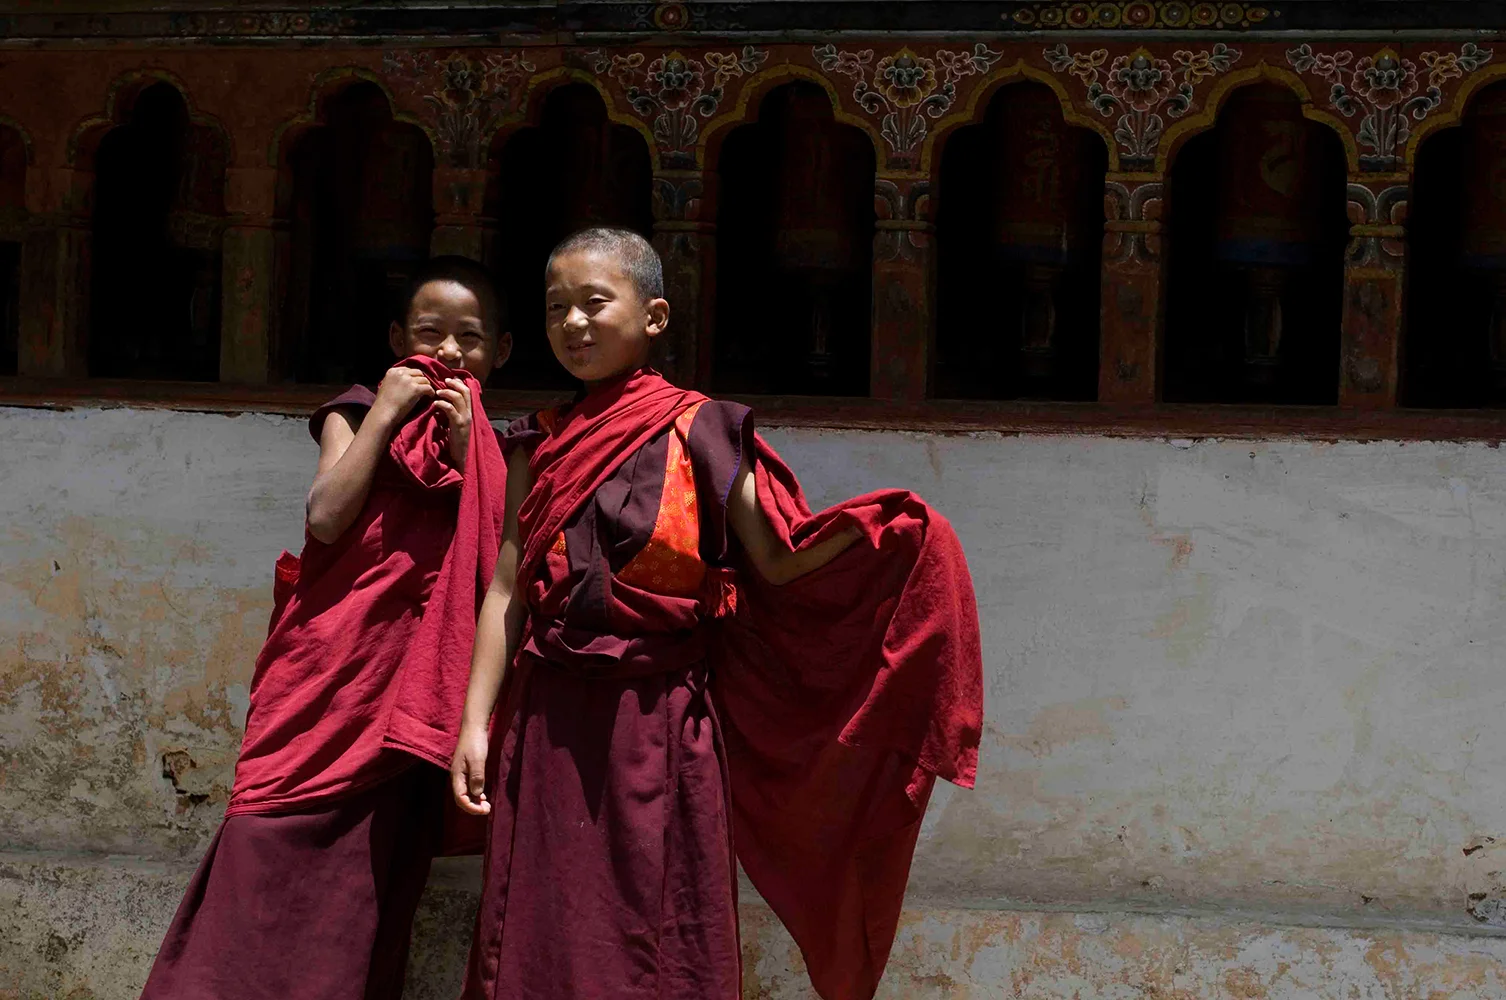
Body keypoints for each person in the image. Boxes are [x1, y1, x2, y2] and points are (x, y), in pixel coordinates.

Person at [451, 228, 983, 1000]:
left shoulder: (698, 427)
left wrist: (891, 535)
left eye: (594, 303)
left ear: (655, 316)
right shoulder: (538, 443)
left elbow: (776, 557)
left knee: (659, 930)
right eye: (557, 308)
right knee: (540, 918)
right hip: (549, 714)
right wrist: (474, 722)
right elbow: (506, 587)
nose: (573, 323)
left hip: (660, 717)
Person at [141, 256, 512, 1000]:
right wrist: (384, 413)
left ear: (500, 352)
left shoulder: (504, 448)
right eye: (429, 333)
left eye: (468, 339)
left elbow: (510, 553)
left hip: (407, 706)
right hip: (325, 685)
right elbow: (326, 516)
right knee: (260, 843)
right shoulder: (351, 412)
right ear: (396, 337)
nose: (446, 353)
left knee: (366, 894)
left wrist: (474, 452)